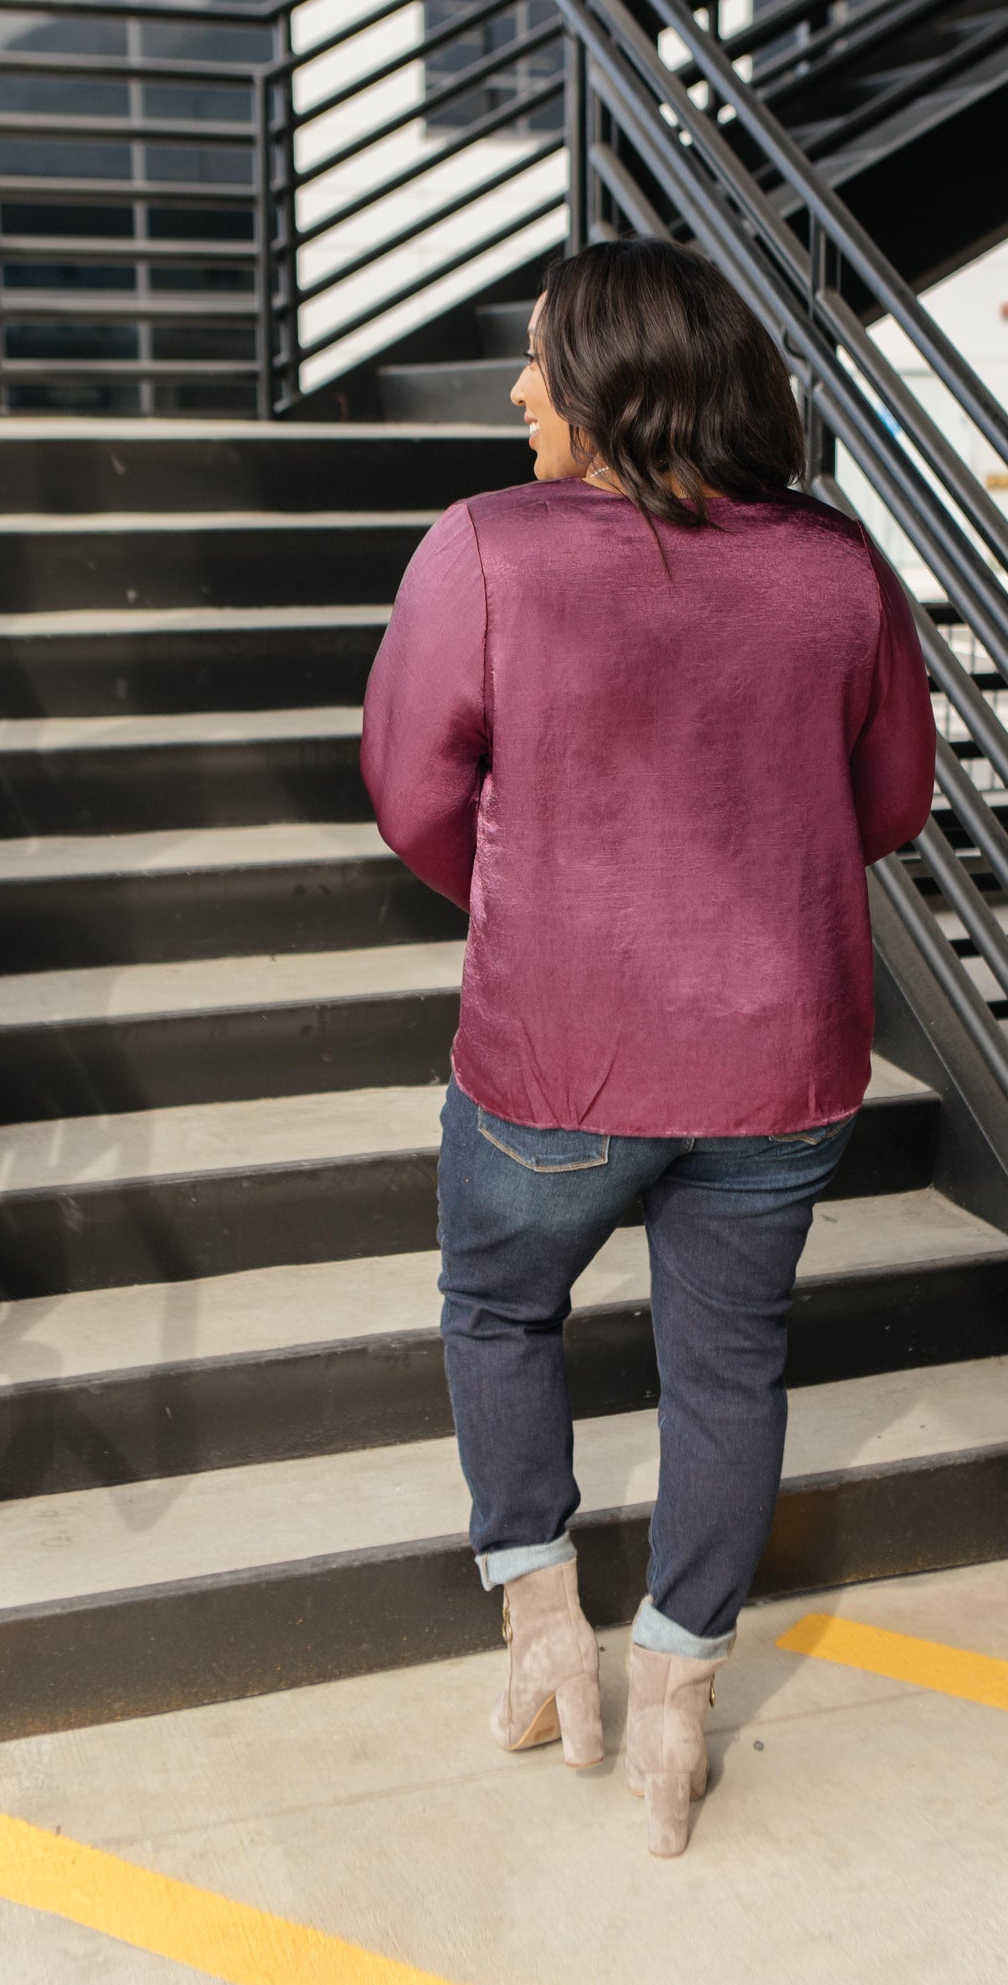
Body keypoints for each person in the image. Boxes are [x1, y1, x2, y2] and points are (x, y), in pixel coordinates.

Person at [360, 236, 935, 1856]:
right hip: (781, 1060)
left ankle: (551, 1646)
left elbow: (410, 789)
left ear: (609, 382)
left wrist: (533, 893)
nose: (519, 389)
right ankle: (675, 1711)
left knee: (496, 1306)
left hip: (561, 1055)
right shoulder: (839, 570)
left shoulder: (485, 550)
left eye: (539, 357)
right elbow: (888, 803)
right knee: (728, 1372)